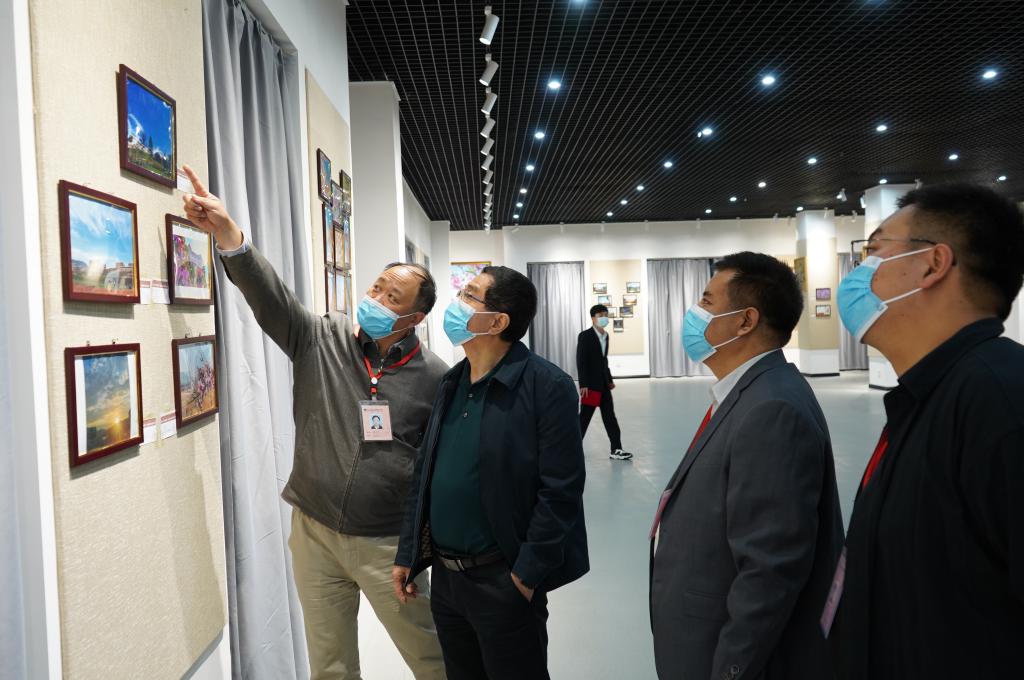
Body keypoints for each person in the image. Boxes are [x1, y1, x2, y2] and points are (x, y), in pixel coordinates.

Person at [179, 165, 447, 680]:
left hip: (386, 545)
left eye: (392, 297)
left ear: (414, 319)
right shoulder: (322, 338)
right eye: (376, 287)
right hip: (315, 534)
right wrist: (229, 234)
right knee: (330, 667)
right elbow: (270, 297)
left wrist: (418, 548)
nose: (376, 299)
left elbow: (438, 469)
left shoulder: (435, 377)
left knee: (432, 658)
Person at [829, 183, 1024, 679]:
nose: (860, 272)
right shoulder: (927, 396)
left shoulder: (1002, 403)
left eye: (875, 251)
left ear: (933, 264)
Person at [650, 252, 844, 680]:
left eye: (707, 302)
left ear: (745, 321)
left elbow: (769, 570)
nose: (695, 314)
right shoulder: (750, 393)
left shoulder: (772, 409)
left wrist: (731, 670)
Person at [392, 266, 589, 680]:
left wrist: (526, 573)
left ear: (498, 322)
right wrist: (409, 552)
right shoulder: (451, 382)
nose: (457, 302)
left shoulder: (546, 386)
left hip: (503, 580)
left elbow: (561, 491)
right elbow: (425, 475)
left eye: (470, 295)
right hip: (447, 582)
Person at [576, 304, 633, 460]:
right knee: (584, 419)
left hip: (604, 385)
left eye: (606, 315)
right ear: (593, 318)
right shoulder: (585, 336)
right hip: (591, 387)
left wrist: (609, 380)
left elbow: (603, 360)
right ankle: (571, 448)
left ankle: (616, 449)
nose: (604, 318)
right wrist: (583, 384)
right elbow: (581, 361)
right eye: (600, 315)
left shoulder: (606, 336)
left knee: (610, 418)